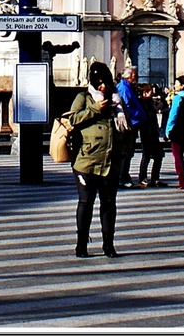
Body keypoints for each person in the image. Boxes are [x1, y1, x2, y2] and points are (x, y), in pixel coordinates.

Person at [66, 62, 123, 258]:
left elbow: (129, 125)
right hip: (86, 161)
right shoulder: (83, 97)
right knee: (86, 202)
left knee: (109, 202)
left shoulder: (117, 100)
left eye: (105, 82)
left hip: (110, 160)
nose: (102, 87)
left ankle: (109, 244)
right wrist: (96, 109)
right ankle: (81, 244)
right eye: (98, 83)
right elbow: (72, 119)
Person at [111, 67, 145, 186]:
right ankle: (123, 177)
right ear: (127, 77)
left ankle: (124, 176)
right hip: (129, 123)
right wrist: (140, 113)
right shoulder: (124, 88)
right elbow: (126, 108)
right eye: (134, 75)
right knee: (126, 151)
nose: (136, 78)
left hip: (133, 123)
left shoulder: (128, 87)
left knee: (128, 152)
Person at [135, 84, 166, 187]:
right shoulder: (142, 103)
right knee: (146, 156)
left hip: (153, 132)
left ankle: (155, 178)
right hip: (146, 132)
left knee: (158, 155)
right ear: (145, 93)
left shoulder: (150, 102)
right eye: (150, 92)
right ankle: (142, 178)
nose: (152, 93)